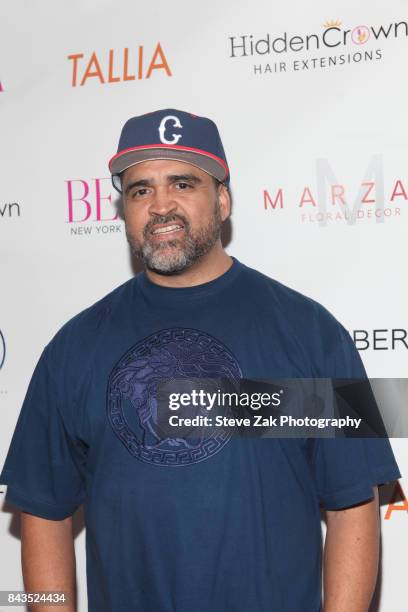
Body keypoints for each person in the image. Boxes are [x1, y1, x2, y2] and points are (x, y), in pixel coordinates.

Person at [0, 108, 401, 612]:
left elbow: (352, 504)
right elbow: (43, 511)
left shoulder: (310, 333)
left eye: (183, 183)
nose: (160, 205)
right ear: (123, 209)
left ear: (224, 200)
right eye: (140, 190)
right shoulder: (74, 346)